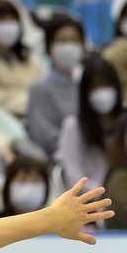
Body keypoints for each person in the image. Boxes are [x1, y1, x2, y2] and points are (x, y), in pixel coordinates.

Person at [56, 55, 126, 192]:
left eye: (107, 86)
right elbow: (73, 175)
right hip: (92, 201)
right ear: (85, 92)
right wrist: (104, 194)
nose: (102, 92)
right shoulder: (73, 126)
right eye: (96, 87)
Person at [24, 17, 85, 155]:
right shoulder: (40, 89)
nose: (69, 46)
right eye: (62, 41)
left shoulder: (84, 84)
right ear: (48, 46)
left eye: (74, 40)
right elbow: (44, 135)